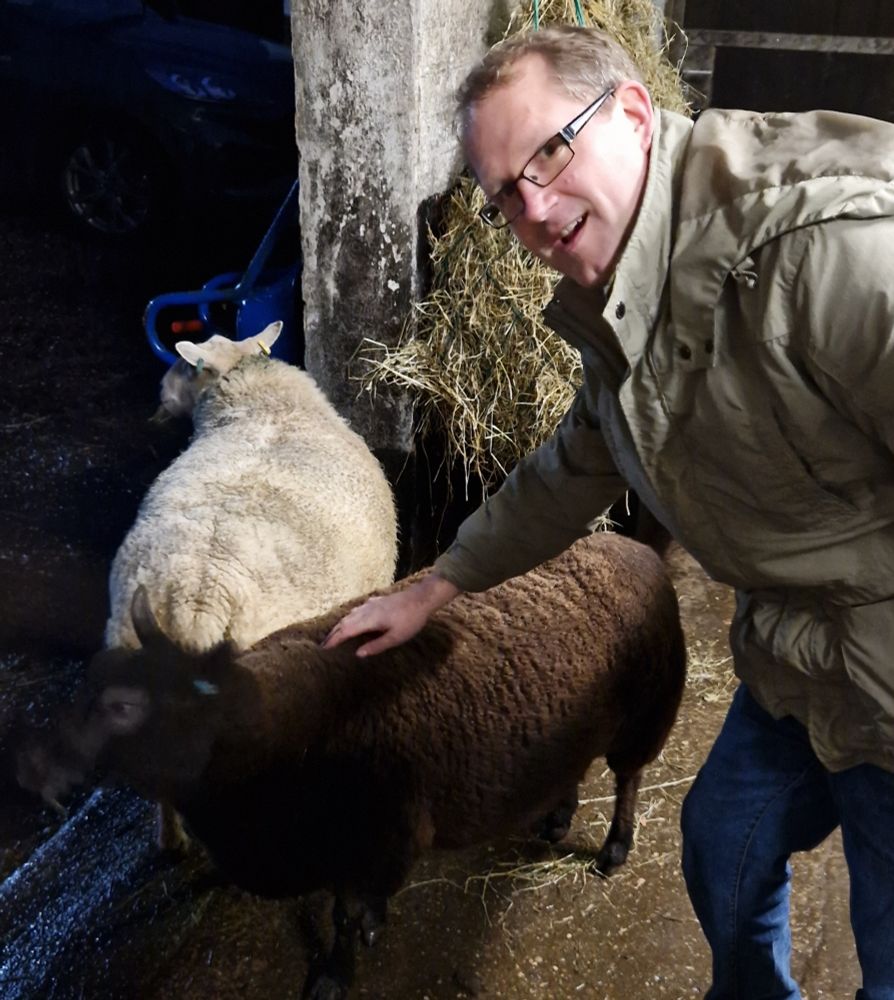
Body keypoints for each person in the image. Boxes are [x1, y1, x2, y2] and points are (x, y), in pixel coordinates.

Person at [323, 23, 894, 1000]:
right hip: (794, 654)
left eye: (550, 150)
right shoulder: (621, 289)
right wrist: (438, 584)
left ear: (634, 110)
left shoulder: (827, 253)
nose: (533, 210)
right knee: (723, 846)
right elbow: (581, 458)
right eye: (504, 193)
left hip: (884, 671)